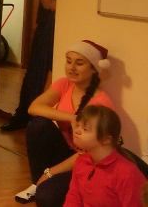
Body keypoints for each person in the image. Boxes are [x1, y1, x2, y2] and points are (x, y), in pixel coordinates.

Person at [14, 40, 114, 206]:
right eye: (68, 61)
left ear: (93, 69)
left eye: (79, 63)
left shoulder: (101, 102)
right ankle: (36, 183)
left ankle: (45, 184)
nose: (71, 68)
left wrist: (50, 173)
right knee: (38, 125)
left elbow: (88, 153)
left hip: (84, 160)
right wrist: (71, 118)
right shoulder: (64, 84)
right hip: (64, 149)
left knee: (46, 197)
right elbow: (34, 107)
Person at [2, 0, 61, 131]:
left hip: (58, 24)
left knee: (52, 74)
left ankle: (42, 121)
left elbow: (50, 3)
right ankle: (23, 115)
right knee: (34, 71)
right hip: (45, 23)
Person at [64, 105, 146, 206]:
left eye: (85, 129)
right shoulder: (81, 161)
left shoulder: (127, 173)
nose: (76, 131)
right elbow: (74, 196)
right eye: (78, 126)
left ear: (106, 139)